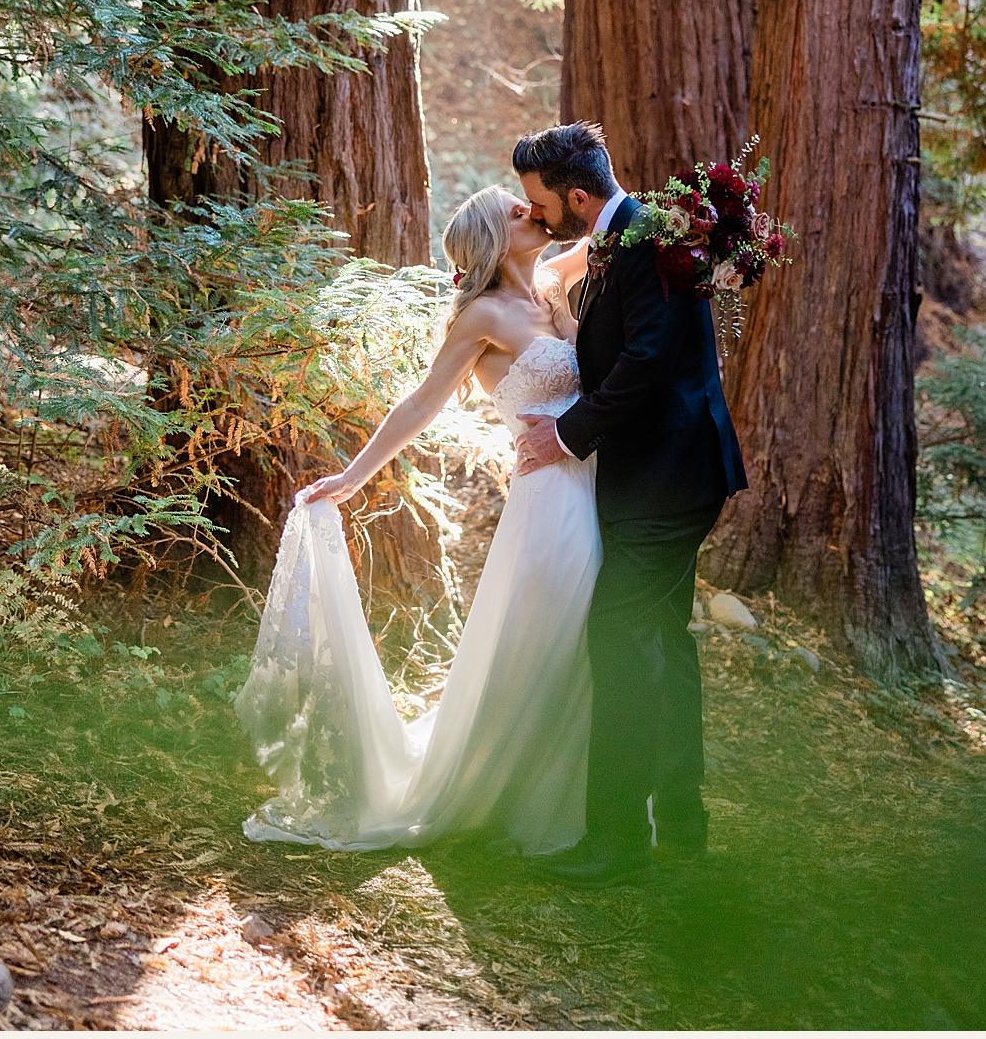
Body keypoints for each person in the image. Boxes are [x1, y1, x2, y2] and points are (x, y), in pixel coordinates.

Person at [237, 186, 600, 851]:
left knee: (586, 631)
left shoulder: (548, 285)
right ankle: (522, 796)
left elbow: (611, 234)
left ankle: (586, 798)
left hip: (596, 478)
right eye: (519, 211)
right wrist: (352, 476)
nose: (536, 213)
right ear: (495, 235)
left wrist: (697, 224)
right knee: (559, 627)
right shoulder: (483, 314)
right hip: (551, 496)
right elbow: (421, 404)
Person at [510, 121, 751, 883]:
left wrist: (566, 436)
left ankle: (615, 841)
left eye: (540, 202)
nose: (540, 217)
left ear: (577, 196)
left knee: (617, 637)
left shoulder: (643, 235)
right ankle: (681, 822)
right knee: (664, 641)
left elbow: (647, 359)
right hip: (671, 470)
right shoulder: (625, 230)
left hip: (668, 477)